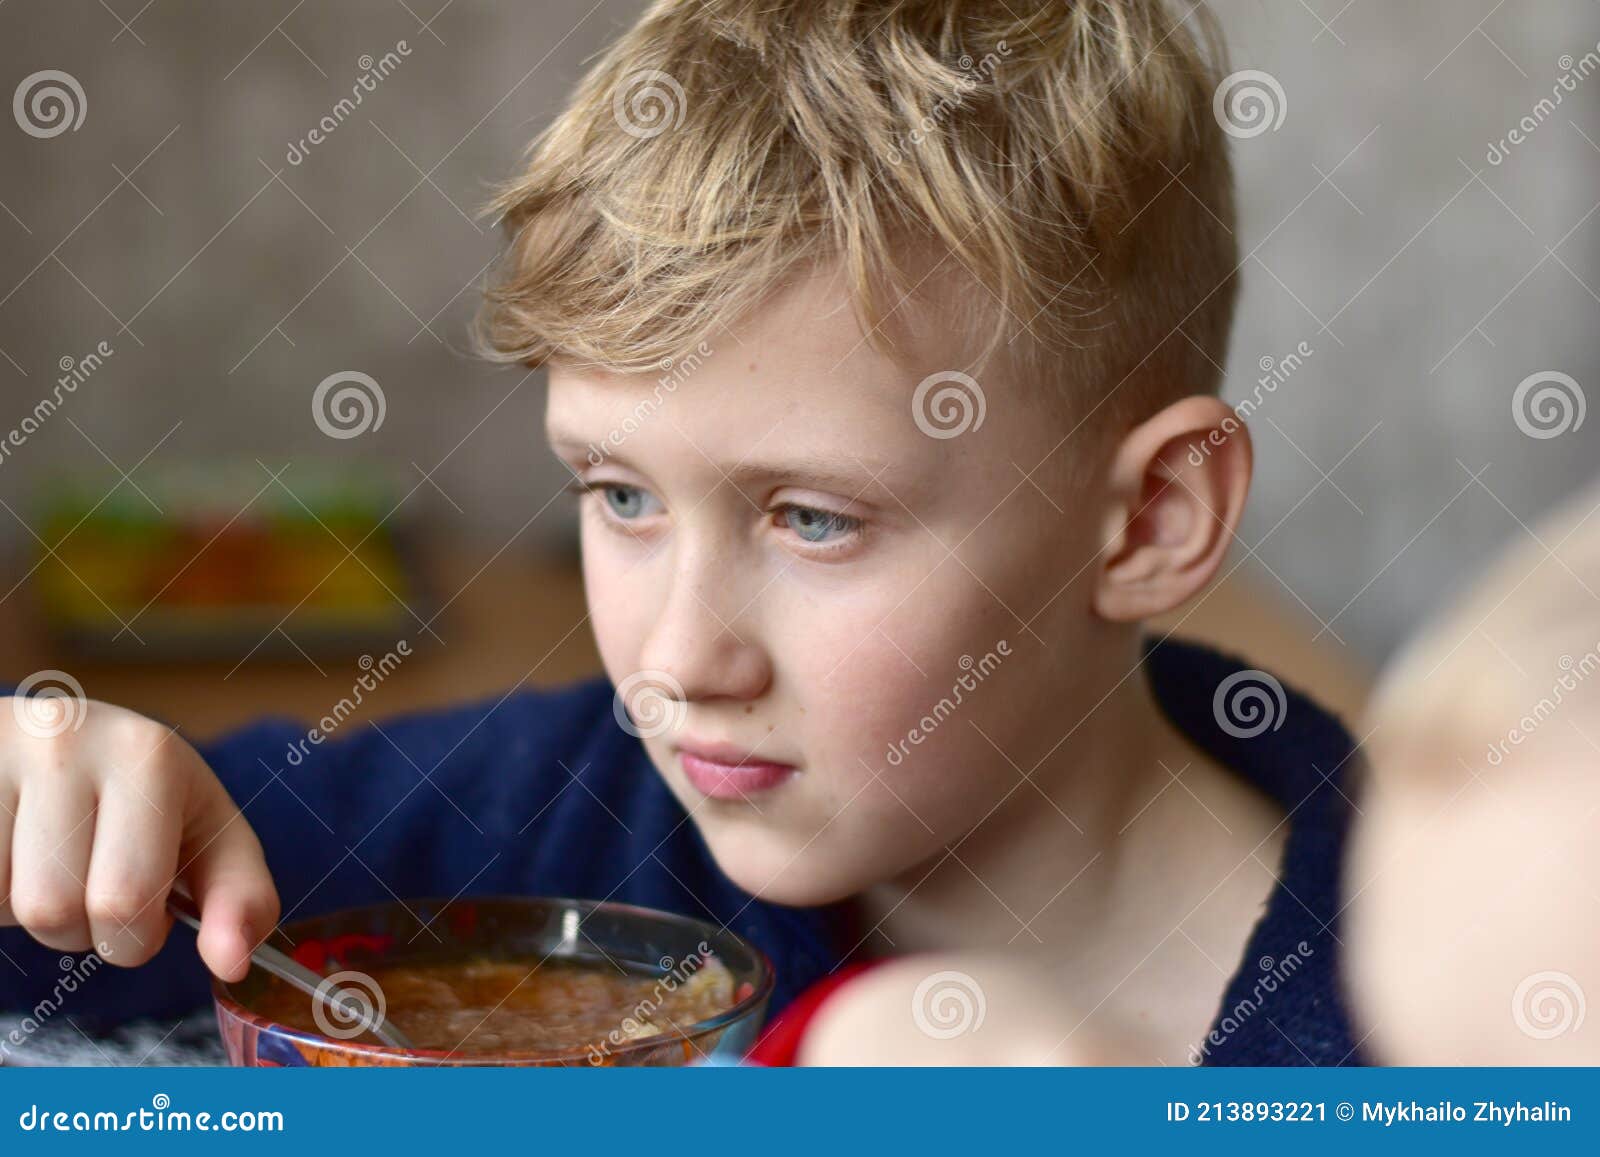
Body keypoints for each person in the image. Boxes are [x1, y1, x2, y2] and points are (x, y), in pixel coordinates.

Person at [3, 0, 1362, 1064]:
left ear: (1152, 519)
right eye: (622, 496)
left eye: (813, 518)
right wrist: (49, 780)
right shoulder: (558, 811)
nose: (676, 658)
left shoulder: (1475, 993)